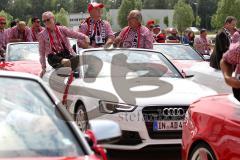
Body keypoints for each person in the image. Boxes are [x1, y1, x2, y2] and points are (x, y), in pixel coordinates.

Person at [38, 11, 90, 77]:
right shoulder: (42, 35)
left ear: (53, 19)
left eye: (48, 20)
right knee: (67, 62)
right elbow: (41, 53)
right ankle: (69, 79)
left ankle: (79, 78)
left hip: (66, 53)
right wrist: (43, 68)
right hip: (53, 56)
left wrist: (85, 36)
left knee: (82, 62)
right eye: (44, 21)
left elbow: (74, 34)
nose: (46, 22)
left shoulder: (62, 29)